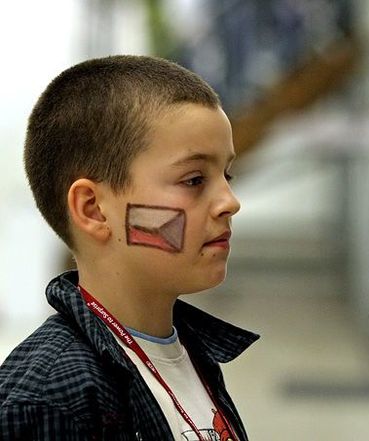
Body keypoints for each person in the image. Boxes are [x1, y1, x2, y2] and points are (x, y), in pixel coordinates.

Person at [0, 55, 258, 440]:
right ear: (94, 210)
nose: (230, 201)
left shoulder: (192, 357)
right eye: (193, 180)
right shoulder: (49, 398)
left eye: (227, 174)